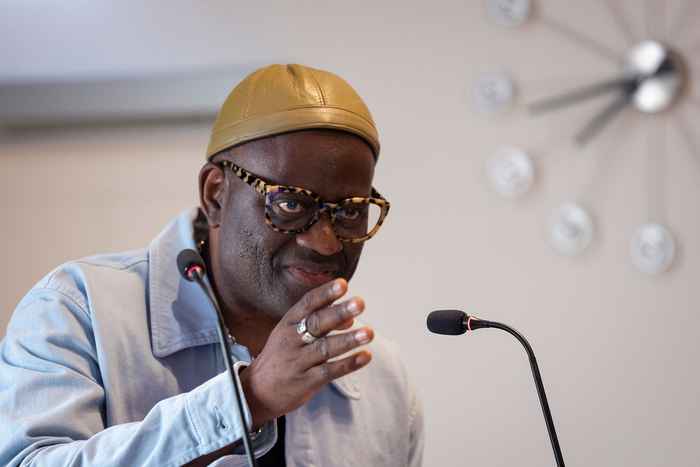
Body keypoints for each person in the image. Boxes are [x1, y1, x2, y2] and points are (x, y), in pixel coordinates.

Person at [0, 64, 424, 466]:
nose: (325, 243)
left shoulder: (381, 375)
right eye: (290, 204)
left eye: (350, 211)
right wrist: (248, 399)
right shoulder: (79, 310)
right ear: (216, 193)